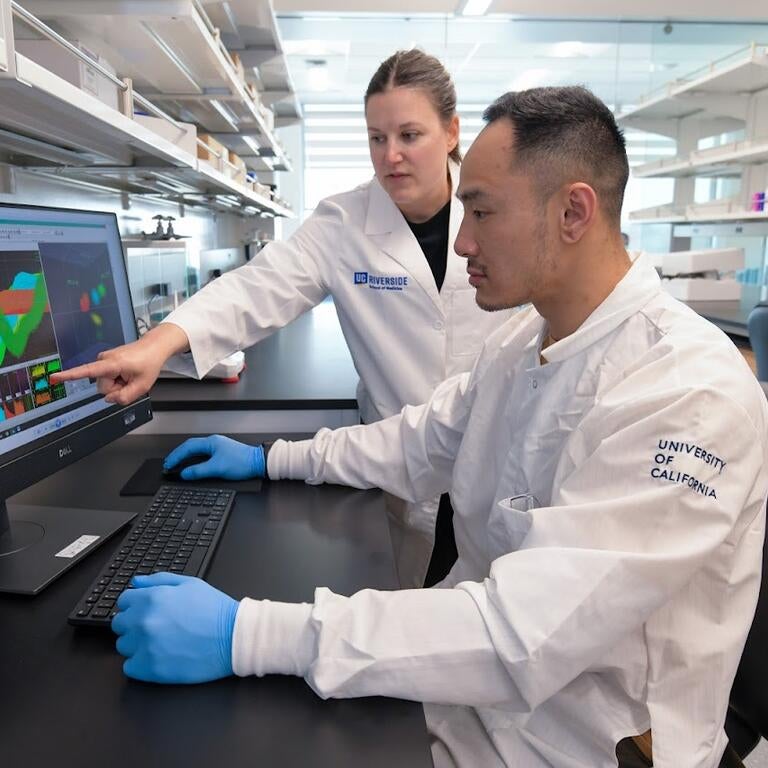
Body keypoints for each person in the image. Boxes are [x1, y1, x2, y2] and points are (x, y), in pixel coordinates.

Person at [107, 86, 768, 768]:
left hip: (585, 741)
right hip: (475, 706)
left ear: (574, 211)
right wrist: (271, 458)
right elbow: (419, 441)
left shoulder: (687, 394)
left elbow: (520, 635)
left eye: (480, 210)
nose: (463, 240)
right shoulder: (523, 342)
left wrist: (250, 635)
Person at [52, 49, 514, 588]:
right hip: (396, 467)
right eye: (376, 138)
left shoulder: (500, 209)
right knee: (410, 612)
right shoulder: (344, 221)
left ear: (452, 132)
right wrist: (156, 345)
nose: (391, 156)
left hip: (497, 460)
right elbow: (258, 287)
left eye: (410, 136)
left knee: (496, 615)